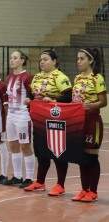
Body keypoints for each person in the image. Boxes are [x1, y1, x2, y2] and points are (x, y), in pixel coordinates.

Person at [24, 50, 72, 196]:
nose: (42, 62)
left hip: (55, 119)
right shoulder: (37, 77)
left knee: (58, 152)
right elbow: (31, 93)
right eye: (40, 60)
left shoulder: (60, 77)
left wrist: (53, 101)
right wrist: (28, 99)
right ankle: (39, 182)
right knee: (41, 151)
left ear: (54, 61)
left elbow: (68, 96)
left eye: (45, 59)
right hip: (39, 119)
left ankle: (60, 185)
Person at [71, 48, 107, 202]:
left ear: (90, 60)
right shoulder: (77, 78)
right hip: (79, 122)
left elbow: (103, 102)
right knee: (82, 157)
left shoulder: (97, 78)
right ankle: (84, 189)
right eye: (77, 59)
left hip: (92, 121)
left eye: (82, 59)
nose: (78, 61)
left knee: (92, 156)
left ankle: (93, 191)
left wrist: (90, 106)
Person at [4, 50, 34, 188]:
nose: (12, 60)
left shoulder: (27, 77)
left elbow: (33, 95)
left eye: (15, 58)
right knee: (13, 146)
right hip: (11, 114)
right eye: (11, 58)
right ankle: (17, 176)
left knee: (25, 146)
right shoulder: (9, 77)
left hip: (23, 115)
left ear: (22, 60)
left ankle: (29, 177)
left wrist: (30, 100)